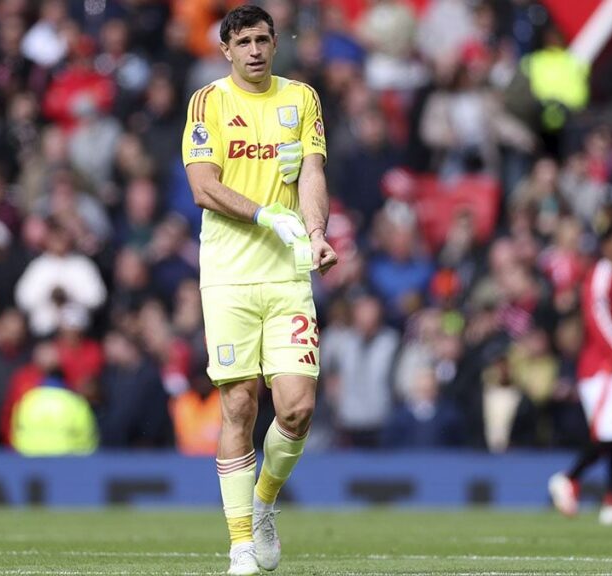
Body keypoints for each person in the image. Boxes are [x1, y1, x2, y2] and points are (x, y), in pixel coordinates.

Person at [182, 6, 337, 574]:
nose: (253, 49)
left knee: (296, 409)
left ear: (275, 44)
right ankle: (241, 545)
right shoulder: (209, 103)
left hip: (288, 274)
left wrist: (316, 232)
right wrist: (268, 215)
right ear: (226, 50)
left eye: (262, 39)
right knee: (239, 404)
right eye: (242, 41)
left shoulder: (302, 99)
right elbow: (203, 187)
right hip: (227, 276)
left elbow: (314, 172)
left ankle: (264, 501)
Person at [548, 225, 612, 525]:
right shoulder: (603, 272)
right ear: (607, 246)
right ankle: (568, 479)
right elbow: (599, 319)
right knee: (609, 434)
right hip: (601, 367)